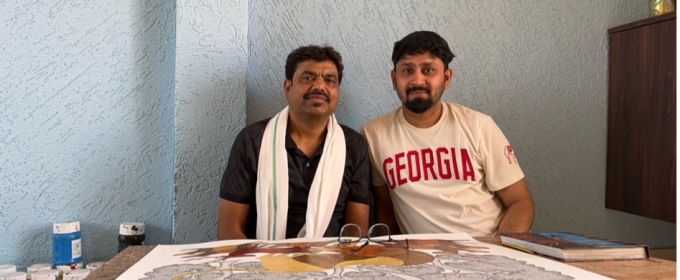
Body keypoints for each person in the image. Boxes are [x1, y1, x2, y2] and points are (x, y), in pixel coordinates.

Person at [360, 31, 534, 237]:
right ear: (394, 78)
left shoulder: (479, 126)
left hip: (487, 247)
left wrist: (501, 251)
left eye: (428, 70)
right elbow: (386, 211)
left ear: (446, 77)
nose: (417, 80)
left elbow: (520, 202)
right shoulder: (373, 134)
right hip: (425, 258)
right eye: (407, 70)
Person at [217, 45, 371, 240]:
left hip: (329, 263)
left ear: (337, 92)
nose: (319, 86)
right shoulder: (252, 141)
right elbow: (228, 232)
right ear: (287, 88)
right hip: (261, 263)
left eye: (329, 80)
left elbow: (355, 233)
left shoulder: (354, 146)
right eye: (308, 78)